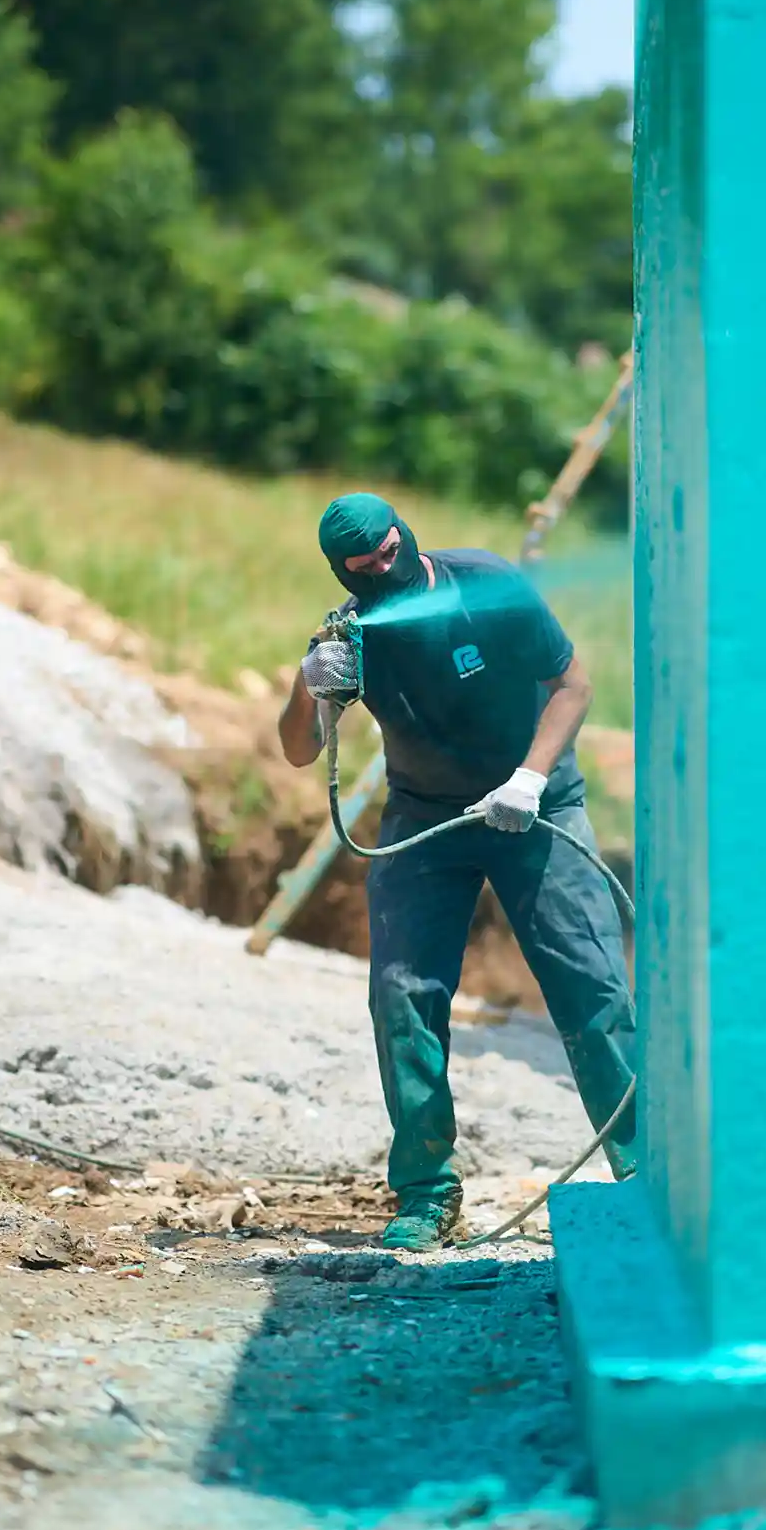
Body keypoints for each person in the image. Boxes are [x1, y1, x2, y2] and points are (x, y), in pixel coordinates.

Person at [278, 491, 636, 1251]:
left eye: (389, 550)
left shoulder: (488, 588)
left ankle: (643, 1169)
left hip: (535, 807)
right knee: (402, 994)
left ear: (404, 533)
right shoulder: (353, 636)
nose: (384, 568)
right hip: (427, 820)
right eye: (363, 565)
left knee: (592, 984)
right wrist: (308, 685)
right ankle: (428, 1194)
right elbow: (300, 750)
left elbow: (573, 686)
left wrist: (530, 780)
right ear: (341, 570)